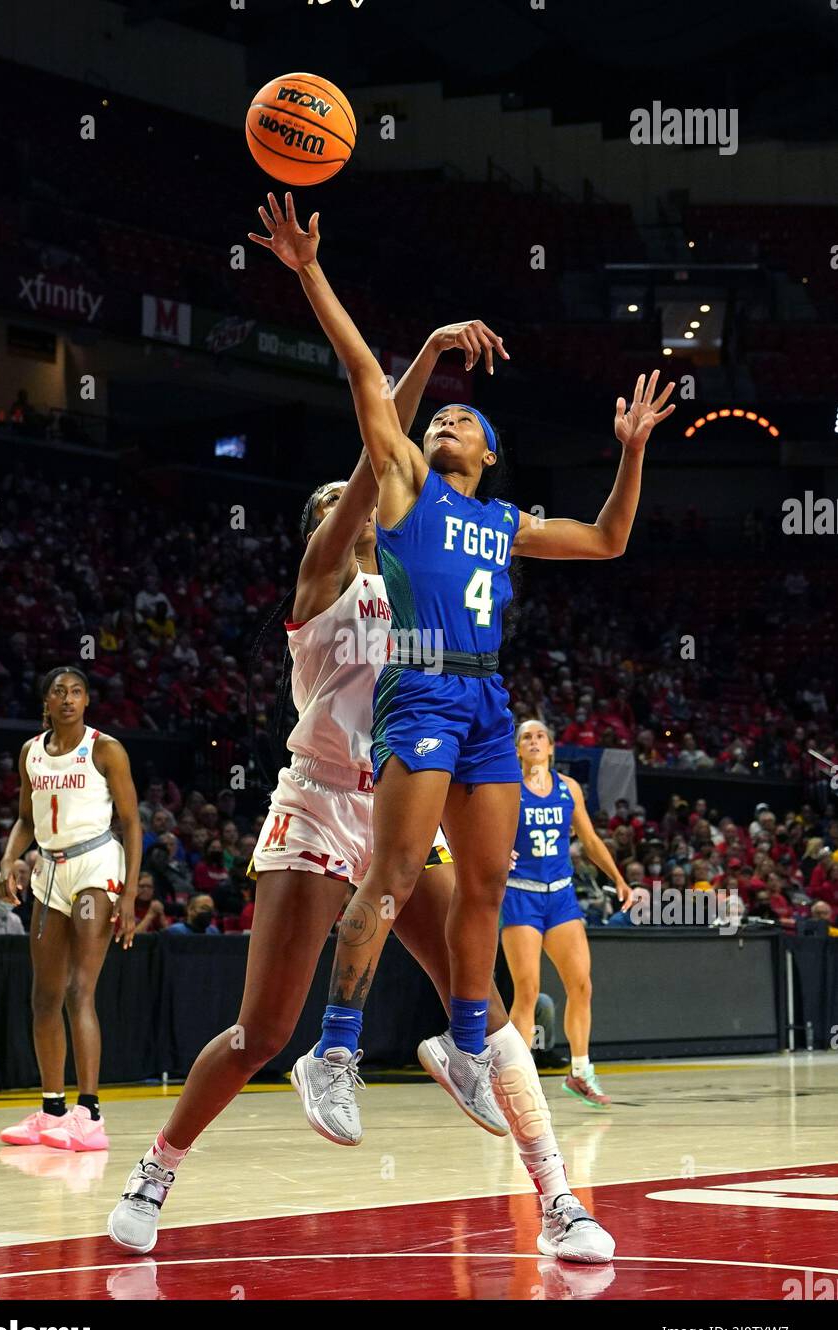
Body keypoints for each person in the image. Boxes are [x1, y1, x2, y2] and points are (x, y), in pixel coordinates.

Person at [108, 320, 616, 1264]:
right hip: (315, 804)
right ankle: (157, 1168)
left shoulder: (423, 571)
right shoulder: (322, 581)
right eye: (336, 505)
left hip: (398, 801)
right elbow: (371, 455)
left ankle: (558, 1198)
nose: (352, 509)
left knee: (480, 997)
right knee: (262, 1030)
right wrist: (392, 417)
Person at [247, 193, 671, 1128]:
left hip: (485, 698)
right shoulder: (404, 489)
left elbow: (608, 539)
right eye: (439, 417)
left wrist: (632, 452)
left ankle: (466, 1043)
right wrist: (311, 272)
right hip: (421, 687)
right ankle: (334, 1049)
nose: (448, 422)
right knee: (397, 873)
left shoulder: (505, 522)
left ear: (490, 453)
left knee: (483, 886)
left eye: (464, 420)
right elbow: (365, 375)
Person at [0, 665, 142, 1153]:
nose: (68, 698)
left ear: (86, 701)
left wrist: (129, 894)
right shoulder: (31, 753)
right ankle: (52, 1109)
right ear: (46, 701)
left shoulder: (105, 749)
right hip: (49, 871)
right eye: (59, 691)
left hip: (95, 867)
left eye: (77, 691)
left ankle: (90, 1113)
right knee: (44, 997)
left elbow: (131, 822)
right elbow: (25, 819)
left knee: (81, 990)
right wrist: (8, 859)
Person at [500, 720, 634, 1108]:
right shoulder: (508, 786)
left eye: (540, 736)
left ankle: (579, 1072)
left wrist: (618, 878)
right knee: (527, 991)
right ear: (518, 749)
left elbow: (589, 839)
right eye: (526, 737)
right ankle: (520, 1083)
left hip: (560, 896)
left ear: (551, 747)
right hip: (521, 894)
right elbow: (482, 828)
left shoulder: (568, 788)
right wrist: (497, 851)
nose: (534, 741)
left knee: (581, 985)